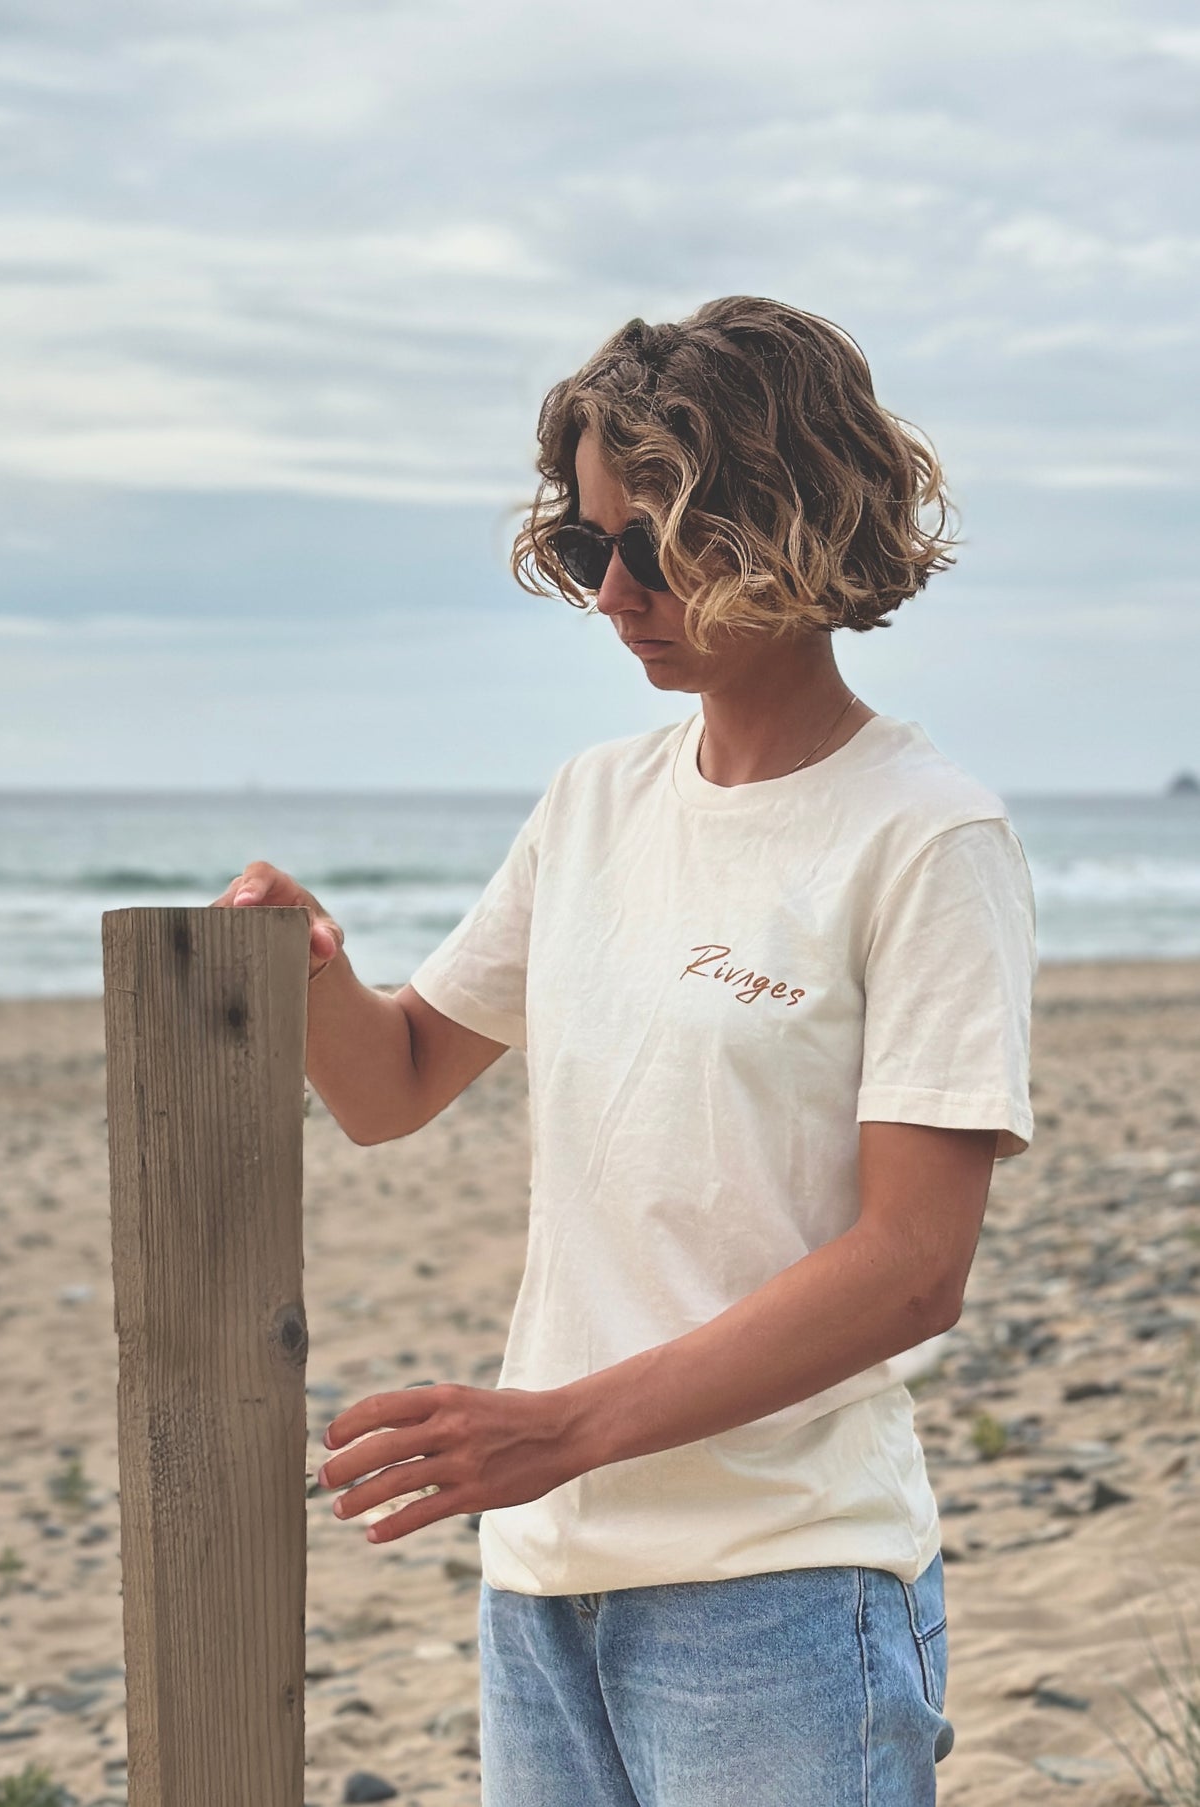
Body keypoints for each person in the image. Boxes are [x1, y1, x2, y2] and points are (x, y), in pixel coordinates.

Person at [214, 295, 1037, 1806]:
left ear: (792, 520)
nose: (613, 589)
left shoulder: (924, 835)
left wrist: (557, 1427)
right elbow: (391, 1084)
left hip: (782, 1586)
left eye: (654, 541)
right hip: (543, 1584)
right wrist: (310, 960)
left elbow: (915, 1263)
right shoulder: (595, 801)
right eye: (589, 544)